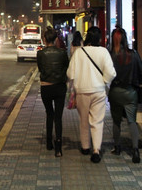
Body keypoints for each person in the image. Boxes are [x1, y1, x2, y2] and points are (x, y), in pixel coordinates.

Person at [67, 26, 116, 163]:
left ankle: (85, 147)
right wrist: (104, 81)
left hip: (82, 90)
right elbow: (111, 73)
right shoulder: (103, 52)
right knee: (97, 121)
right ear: (99, 38)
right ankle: (96, 149)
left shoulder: (79, 52)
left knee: (83, 120)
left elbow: (70, 73)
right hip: (98, 90)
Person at [108, 26, 142, 163]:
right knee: (132, 121)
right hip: (131, 92)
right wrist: (137, 82)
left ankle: (117, 147)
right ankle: (135, 150)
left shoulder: (111, 55)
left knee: (116, 121)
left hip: (115, 92)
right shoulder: (134, 54)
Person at [37, 26, 70, 157]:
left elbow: (40, 69)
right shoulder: (62, 53)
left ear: (44, 39)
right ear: (56, 39)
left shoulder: (40, 53)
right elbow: (66, 67)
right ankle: (58, 147)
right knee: (58, 117)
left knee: (49, 114)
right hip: (60, 87)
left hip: (46, 87)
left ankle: (49, 142)